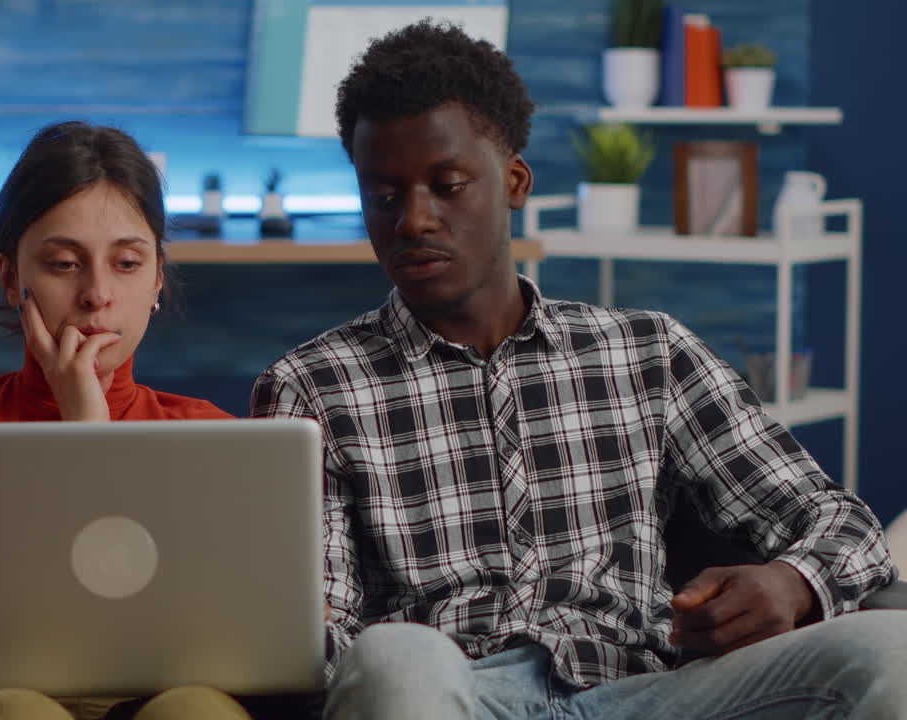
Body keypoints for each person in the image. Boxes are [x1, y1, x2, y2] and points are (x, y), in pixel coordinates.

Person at [250, 20, 906, 720]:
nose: (413, 219)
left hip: (649, 691)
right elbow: (325, 634)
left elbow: (841, 522)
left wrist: (793, 583)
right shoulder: (313, 387)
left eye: (447, 185)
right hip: (455, 694)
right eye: (384, 196)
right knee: (393, 655)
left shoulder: (649, 352)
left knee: (890, 650)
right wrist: (288, 623)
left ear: (514, 182)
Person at [0, 121, 252, 720]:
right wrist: (83, 427)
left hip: (153, 691)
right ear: (11, 276)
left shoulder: (213, 437)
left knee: (199, 710)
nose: (98, 293)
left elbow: (233, 627)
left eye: (127, 263)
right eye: (65, 263)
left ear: (156, 281)